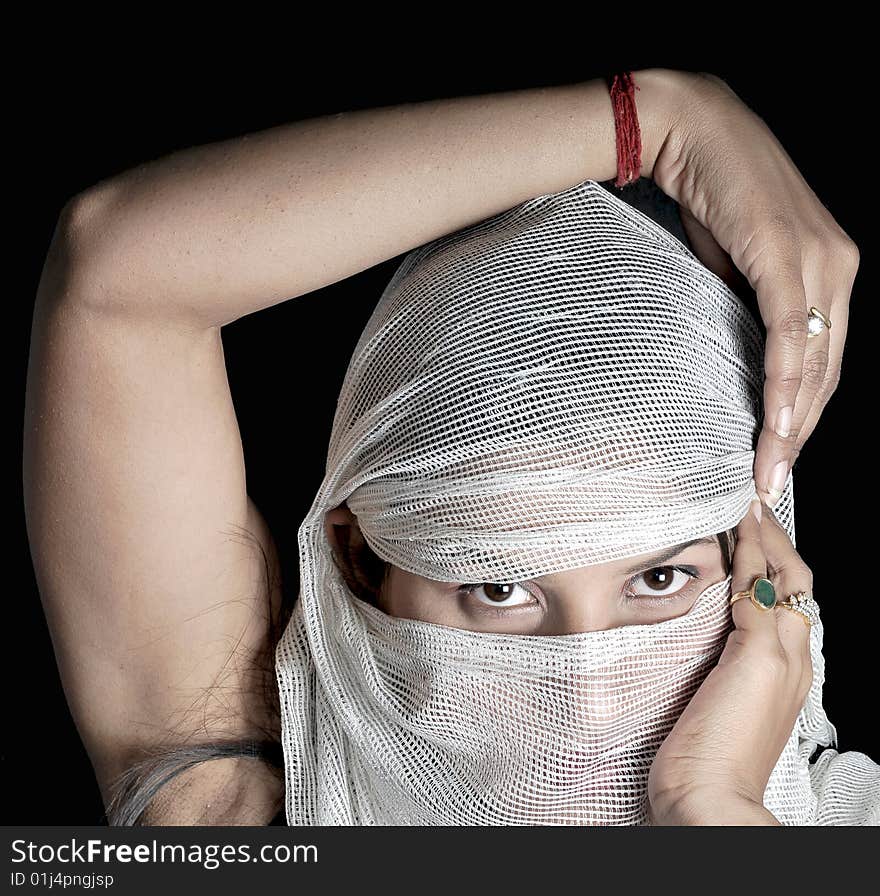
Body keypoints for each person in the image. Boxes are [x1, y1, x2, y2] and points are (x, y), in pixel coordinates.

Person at [23, 69, 868, 826]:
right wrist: (653, 124)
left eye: (658, 578)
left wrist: (708, 808)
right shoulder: (229, 821)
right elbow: (120, 281)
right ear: (361, 562)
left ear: (755, 557)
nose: (587, 705)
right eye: (497, 588)